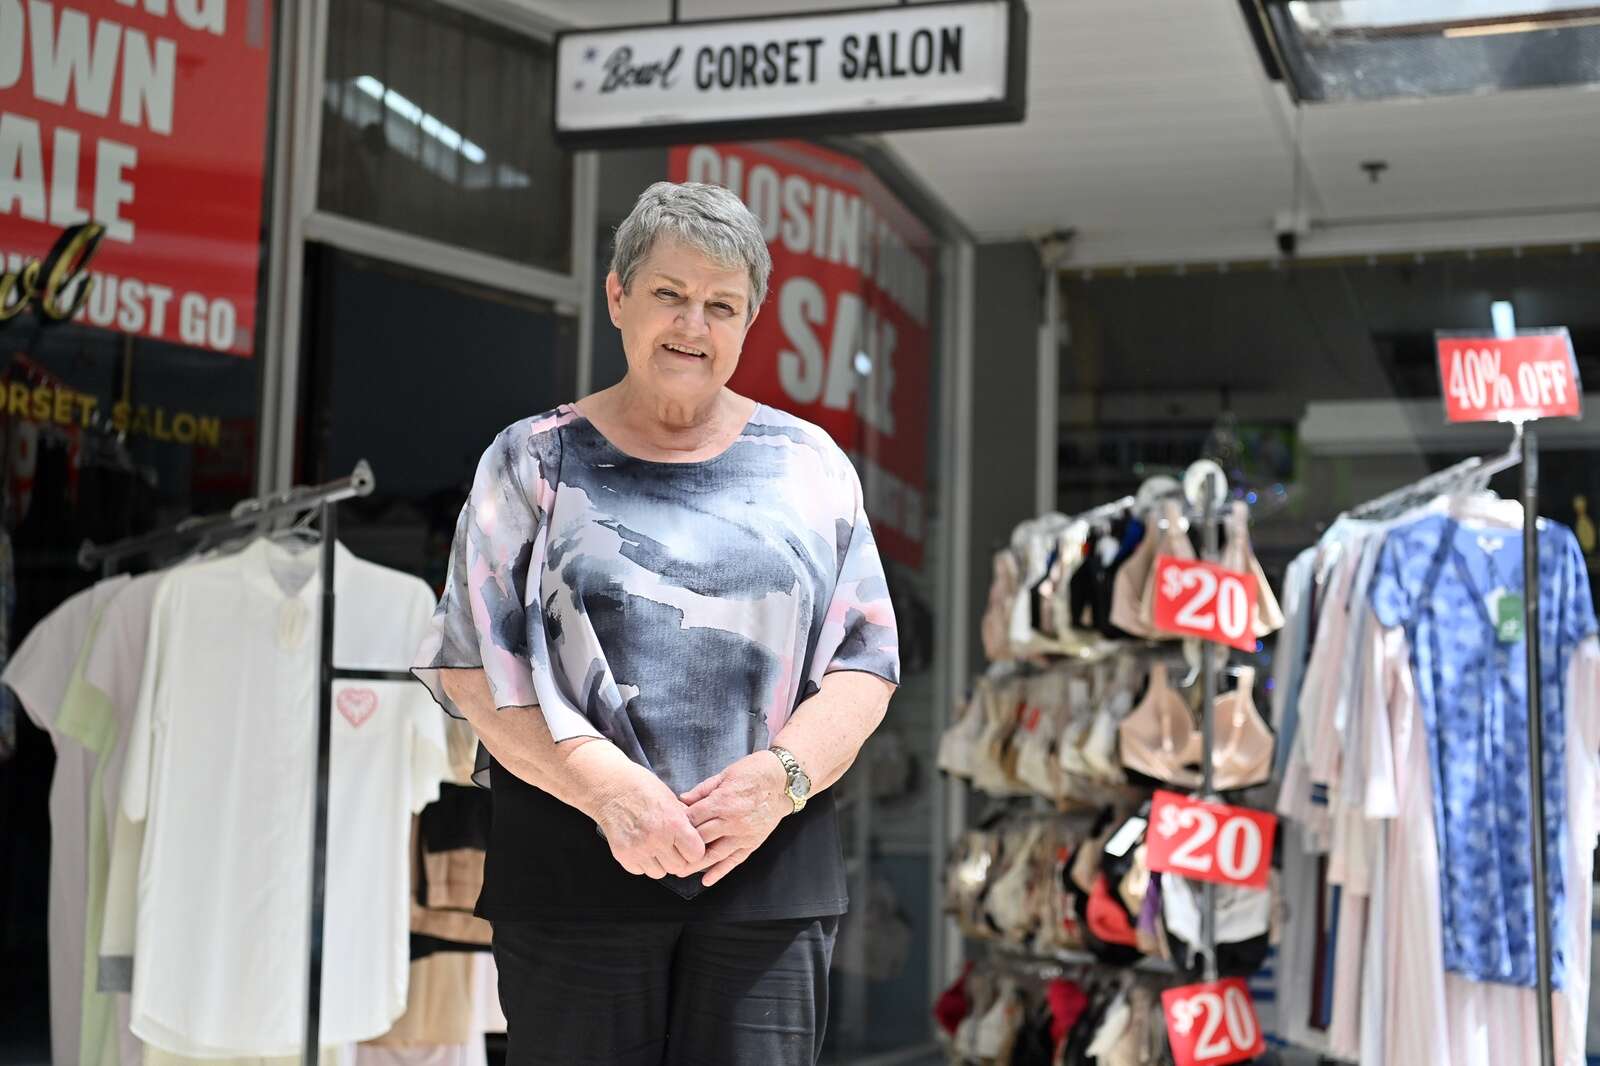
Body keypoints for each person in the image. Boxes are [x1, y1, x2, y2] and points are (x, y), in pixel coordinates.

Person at [411, 180, 900, 1066]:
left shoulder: (810, 466)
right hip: (569, 863)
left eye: (722, 305)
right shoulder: (531, 457)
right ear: (617, 296)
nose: (693, 325)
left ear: (749, 322)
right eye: (670, 294)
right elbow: (470, 666)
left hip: (767, 872)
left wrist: (778, 781)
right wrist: (604, 787)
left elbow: (865, 666)